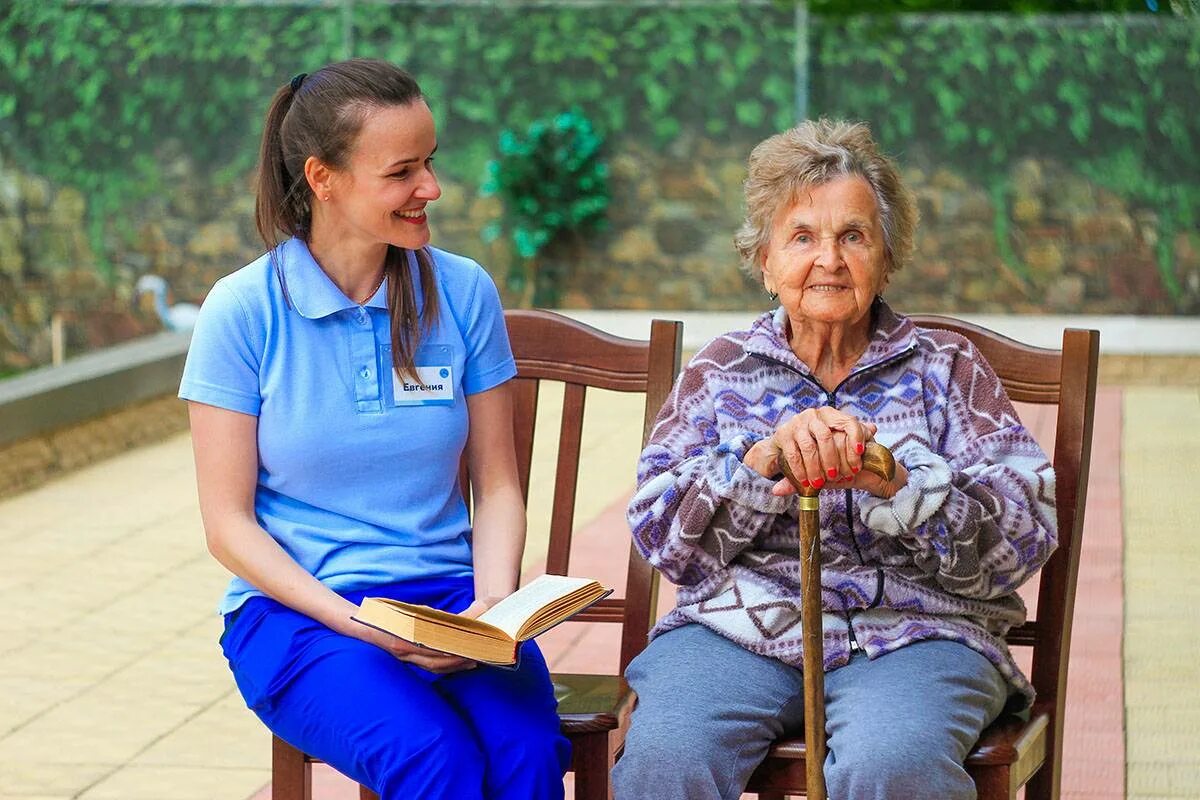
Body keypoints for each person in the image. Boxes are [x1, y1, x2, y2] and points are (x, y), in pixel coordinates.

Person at [612, 119, 1056, 800]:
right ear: (764, 260)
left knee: (895, 766)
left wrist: (899, 482)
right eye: (801, 238)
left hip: (918, 634)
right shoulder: (720, 372)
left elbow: (1025, 538)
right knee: (668, 757)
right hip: (737, 631)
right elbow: (660, 538)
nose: (829, 259)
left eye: (853, 235)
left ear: (886, 256)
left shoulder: (948, 369)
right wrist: (760, 467)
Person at [179, 59, 569, 800]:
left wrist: (490, 606)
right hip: (301, 614)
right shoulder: (242, 312)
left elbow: (498, 483)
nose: (433, 189)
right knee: (435, 759)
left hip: (452, 604)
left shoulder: (462, 292)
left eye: (431, 163)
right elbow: (227, 525)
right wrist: (359, 624)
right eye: (403, 172)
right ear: (323, 179)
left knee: (525, 756)